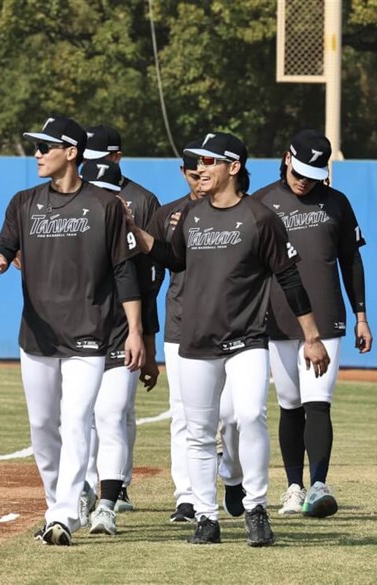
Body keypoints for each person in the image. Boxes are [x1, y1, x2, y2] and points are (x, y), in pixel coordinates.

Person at [126, 131, 330, 546]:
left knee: (249, 416)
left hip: (248, 338)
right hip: (197, 341)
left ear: (233, 167)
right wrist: (133, 228)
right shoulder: (192, 216)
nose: (200, 168)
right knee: (200, 431)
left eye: (210, 161)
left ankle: (255, 508)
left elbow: (289, 278)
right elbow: (173, 258)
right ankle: (206, 516)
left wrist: (312, 336)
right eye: (199, 162)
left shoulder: (259, 218)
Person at [0, 116, 143, 546]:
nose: (37, 154)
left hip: (88, 335)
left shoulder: (105, 206)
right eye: (36, 147)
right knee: (42, 425)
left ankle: (62, 514)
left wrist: (135, 331)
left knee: (76, 421)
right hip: (37, 335)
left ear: (71, 152)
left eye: (45, 147)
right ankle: (59, 499)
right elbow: (5, 244)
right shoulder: (23, 201)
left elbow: (124, 272)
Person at [254, 129, 371, 517]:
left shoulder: (337, 202)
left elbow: (351, 261)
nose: (304, 180)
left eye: (313, 173)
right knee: (289, 405)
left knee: (317, 402)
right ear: (287, 158)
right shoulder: (263, 203)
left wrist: (361, 316)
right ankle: (292, 487)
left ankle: (319, 485)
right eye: (300, 170)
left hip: (326, 316)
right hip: (277, 318)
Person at [82, 125, 163, 513]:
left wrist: (147, 338)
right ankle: (89, 485)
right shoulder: (74, 196)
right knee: (85, 412)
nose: (90, 168)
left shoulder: (142, 200)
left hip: (126, 316)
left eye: (98, 160)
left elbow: (152, 270)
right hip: (83, 319)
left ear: (116, 157)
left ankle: (117, 486)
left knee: (117, 409)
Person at [144, 142, 204, 523]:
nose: (201, 179)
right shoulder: (168, 215)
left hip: (235, 327)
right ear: (183, 173)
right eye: (194, 173)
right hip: (181, 325)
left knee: (233, 417)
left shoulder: (246, 213)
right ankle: (187, 496)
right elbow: (152, 278)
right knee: (182, 414)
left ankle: (233, 480)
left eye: (206, 170)